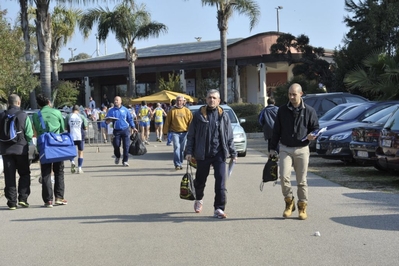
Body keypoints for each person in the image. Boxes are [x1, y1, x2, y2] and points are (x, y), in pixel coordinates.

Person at [269, 83, 319, 220]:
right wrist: (272, 149)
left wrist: (312, 136)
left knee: (301, 180)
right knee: (283, 177)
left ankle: (302, 206)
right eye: (289, 94)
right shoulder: (282, 110)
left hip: (302, 149)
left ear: (301, 94)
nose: (291, 97)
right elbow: (276, 131)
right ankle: (289, 202)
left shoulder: (309, 111)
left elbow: (316, 128)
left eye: (294, 94)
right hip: (285, 148)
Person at [185, 89, 237, 219]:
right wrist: (189, 151)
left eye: (214, 98)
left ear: (219, 101)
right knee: (200, 181)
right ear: (206, 99)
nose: (212, 100)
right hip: (202, 154)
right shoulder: (199, 115)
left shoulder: (224, 116)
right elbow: (191, 135)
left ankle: (219, 208)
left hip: (219, 154)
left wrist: (233, 152)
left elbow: (229, 136)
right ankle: (199, 198)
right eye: (209, 97)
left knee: (221, 182)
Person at [32, 94, 68, 207]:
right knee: (59, 171)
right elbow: (62, 128)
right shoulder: (57, 112)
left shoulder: (35, 115)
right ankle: (59, 197)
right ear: (49, 102)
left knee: (46, 173)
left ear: (38, 104)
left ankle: (48, 200)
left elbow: (36, 130)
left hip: (44, 146)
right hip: (56, 145)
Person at [0, 94, 34, 209]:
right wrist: (28, 143)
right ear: (18, 103)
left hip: (5, 151)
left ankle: (12, 202)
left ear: (9, 103)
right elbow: (29, 134)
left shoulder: (1, 115)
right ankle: (23, 198)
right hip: (21, 150)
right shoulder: (23, 115)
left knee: (9, 176)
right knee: (24, 173)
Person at [105, 96, 137, 167]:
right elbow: (106, 120)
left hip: (125, 130)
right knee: (116, 145)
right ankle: (117, 156)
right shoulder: (111, 110)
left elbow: (130, 119)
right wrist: (108, 121)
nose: (115, 101)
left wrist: (133, 127)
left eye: (117, 100)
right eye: (114, 100)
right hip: (116, 131)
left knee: (126, 146)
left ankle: (125, 161)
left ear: (120, 101)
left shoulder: (125, 110)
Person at [163, 95, 192, 170]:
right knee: (177, 147)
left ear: (183, 102)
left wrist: (192, 133)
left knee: (182, 149)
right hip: (175, 132)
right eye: (178, 100)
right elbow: (167, 123)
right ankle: (177, 164)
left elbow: (191, 122)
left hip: (185, 132)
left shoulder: (187, 111)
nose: (179, 102)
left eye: (180, 101)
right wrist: (165, 133)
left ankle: (180, 162)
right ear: (176, 102)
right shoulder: (172, 111)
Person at [66, 105, 88, 174]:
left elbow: (66, 127)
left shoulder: (68, 116)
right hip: (80, 136)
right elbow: (86, 127)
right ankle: (80, 168)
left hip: (71, 136)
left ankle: (72, 161)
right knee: (80, 152)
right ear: (78, 110)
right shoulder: (81, 116)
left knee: (71, 151)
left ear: (72, 110)